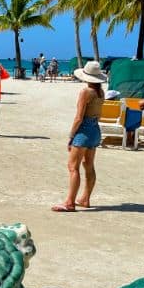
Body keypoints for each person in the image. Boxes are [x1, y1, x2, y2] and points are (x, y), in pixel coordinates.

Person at [53, 60, 106, 212]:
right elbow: (98, 114)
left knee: (72, 167)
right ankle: (85, 198)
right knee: (89, 165)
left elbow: (79, 117)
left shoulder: (86, 92)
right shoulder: (100, 92)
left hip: (84, 129)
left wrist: (71, 136)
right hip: (95, 129)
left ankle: (69, 202)